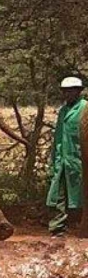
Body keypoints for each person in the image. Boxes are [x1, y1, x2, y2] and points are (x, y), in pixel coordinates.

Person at [48, 75, 85, 237]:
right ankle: (57, 229)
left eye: (71, 91)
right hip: (62, 160)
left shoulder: (85, 108)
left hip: (79, 160)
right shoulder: (63, 111)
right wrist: (54, 159)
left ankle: (82, 229)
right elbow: (58, 138)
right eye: (65, 91)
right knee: (58, 195)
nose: (67, 94)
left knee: (82, 194)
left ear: (78, 92)